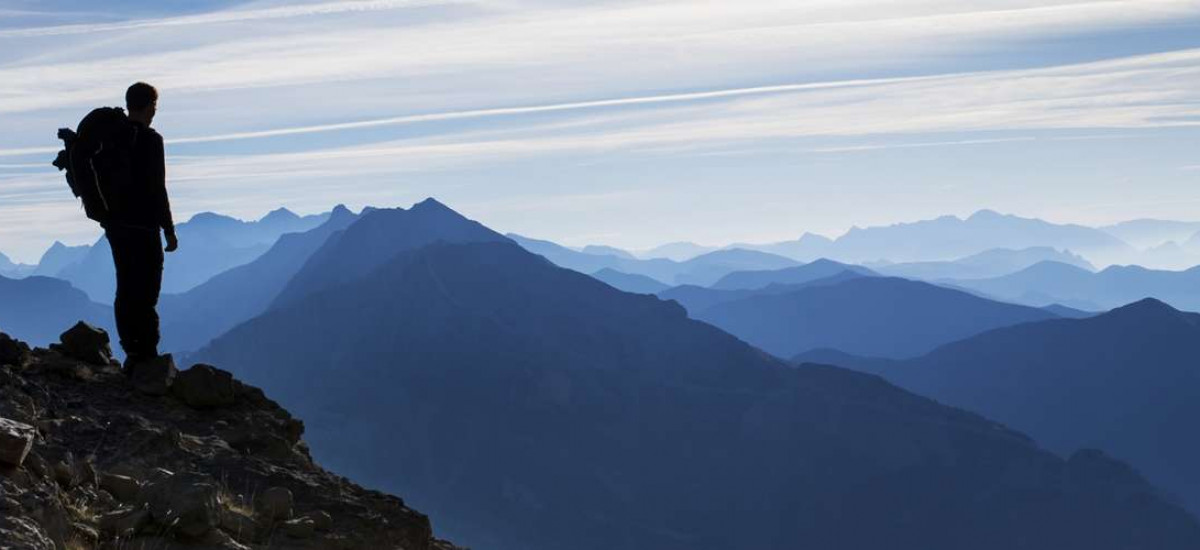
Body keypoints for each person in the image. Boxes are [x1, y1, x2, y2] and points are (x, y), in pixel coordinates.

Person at [106, 82, 178, 366]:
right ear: (150, 106)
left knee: (125, 286)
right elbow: (158, 188)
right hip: (144, 227)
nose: (154, 112)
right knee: (146, 291)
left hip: (115, 226)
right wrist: (169, 230)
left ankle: (131, 350)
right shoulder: (150, 140)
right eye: (154, 107)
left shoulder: (112, 137)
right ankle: (148, 355)